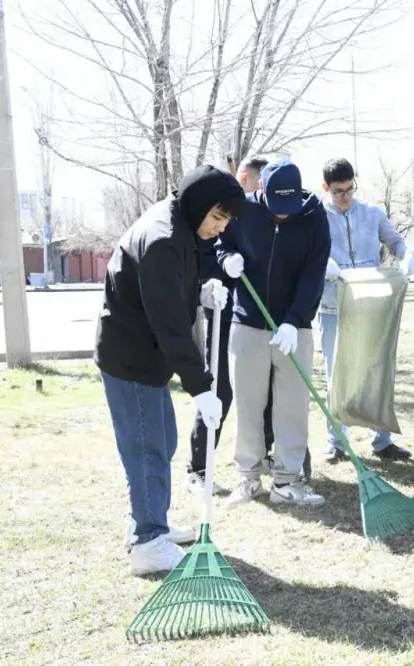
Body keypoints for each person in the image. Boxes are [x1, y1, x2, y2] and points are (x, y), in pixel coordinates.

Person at [95, 165, 243, 574]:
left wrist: (203, 287)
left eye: (226, 221)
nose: (220, 228)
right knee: (147, 449)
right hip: (132, 357)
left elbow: (182, 278)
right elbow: (170, 325)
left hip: (147, 354)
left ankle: (147, 522)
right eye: (218, 217)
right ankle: (148, 543)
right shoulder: (162, 238)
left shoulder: (181, 222)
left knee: (162, 442)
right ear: (199, 206)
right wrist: (203, 387)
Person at [217, 159, 330, 506]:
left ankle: (287, 481)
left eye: (289, 206)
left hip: (294, 328)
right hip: (248, 322)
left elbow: (315, 272)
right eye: (277, 206)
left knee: (292, 405)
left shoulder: (313, 216)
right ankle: (248, 478)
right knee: (249, 405)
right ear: (261, 190)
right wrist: (226, 260)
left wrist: (295, 319)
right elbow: (219, 245)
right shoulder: (243, 212)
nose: (283, 215)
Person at [318, 158, 414, 463]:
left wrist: (407, 256)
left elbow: (397, 242)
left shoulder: (372, 214)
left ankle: (382, 440)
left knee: (375, 369)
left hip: (370, 304)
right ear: (326, 188)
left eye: (350, 189)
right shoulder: (317, 217)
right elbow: (308, 253)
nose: (345, 196)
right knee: (338, 375)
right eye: (338, 191)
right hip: (333, 306)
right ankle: (337, 442)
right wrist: (324, 264)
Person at [185, 155, 274, 496]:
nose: (260, 194)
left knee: (260, 391)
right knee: (219, 388)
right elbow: (205, 255)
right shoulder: (216, 213)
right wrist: (216, 277)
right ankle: (199, 468)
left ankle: (262, 462)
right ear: (244, 179)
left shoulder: (257, 217)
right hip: (221, 309)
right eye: (258, 184)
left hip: (251, 316)